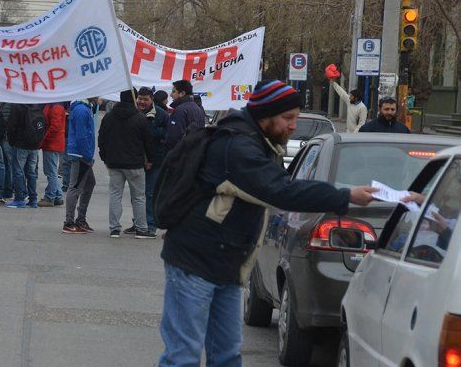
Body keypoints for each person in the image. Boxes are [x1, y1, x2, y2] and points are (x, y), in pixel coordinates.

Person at [157, 80, 378, 367]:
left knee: (226, 356)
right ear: (265, 116)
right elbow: (282, 191)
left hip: (227, 265)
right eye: (288, 118)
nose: (293, 126)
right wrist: (345, 196)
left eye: (295, 118)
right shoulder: (237, 148)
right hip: (193, 264)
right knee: (182, 356)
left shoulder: (258, 142)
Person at [98, 88, 155, 239]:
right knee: (139, 197)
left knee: (115, 194)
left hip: (114, 162)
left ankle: (114, 228)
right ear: (135, 98)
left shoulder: (109, 117)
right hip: (135, 164)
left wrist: (104, 157)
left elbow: (101, 139)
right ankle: (142, 228)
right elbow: (148, 142)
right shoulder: (140, 118)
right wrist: (150, 159)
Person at [129, 86, 168, 236]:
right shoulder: (133, 112)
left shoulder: (161, 115)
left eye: (145, 99)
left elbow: (167, 134)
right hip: (135, 160)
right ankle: (138, 223)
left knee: (150, 193)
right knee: (136, 194)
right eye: (140, 98)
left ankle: (150, 225)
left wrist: (149, 130)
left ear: (151, 99)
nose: (142, 102)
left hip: (155, 161)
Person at [61, 98, 97, 234]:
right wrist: (88, 156)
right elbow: (81, 136)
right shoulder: (82, 110)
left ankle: (80, 219)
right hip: (80, 154)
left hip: (81, 154)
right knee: (75, 186)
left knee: (89, 184)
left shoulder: (84, 108)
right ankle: (69, 222)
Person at [6, 103, 44, 209]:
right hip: (34, 146)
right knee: (31, 173)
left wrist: (11, 142)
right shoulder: (36, 106)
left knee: (18, 171)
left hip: (20, 144)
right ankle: (33, 199)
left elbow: (11, 126)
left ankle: (19, 199)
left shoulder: (16, 106)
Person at [165, 79, 206, 151]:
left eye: (174, 91)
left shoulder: (181, 110)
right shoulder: (198, 108)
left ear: (182, 93)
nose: (171, 95)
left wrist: (171, 156)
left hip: (179, 155)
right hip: (193, 154)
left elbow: (174, 137)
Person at [39, 102, 66, 207]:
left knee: (50, 172)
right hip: (53, 143)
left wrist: (44, 138)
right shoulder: (53, 105)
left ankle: (50, 197)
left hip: (52, 143)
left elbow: (55, 126)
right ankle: (58, 196)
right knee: (52, 171)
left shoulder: (55, 107)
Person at [326, 64, 368, 132]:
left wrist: (355, 133)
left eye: (351, 96)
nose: (349, 97)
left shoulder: (362, 108)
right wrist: (334, 83)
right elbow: (342, 93)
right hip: (348, 131)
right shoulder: (350, 101)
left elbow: (362, 123)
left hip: (356, 134)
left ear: (356, 98)